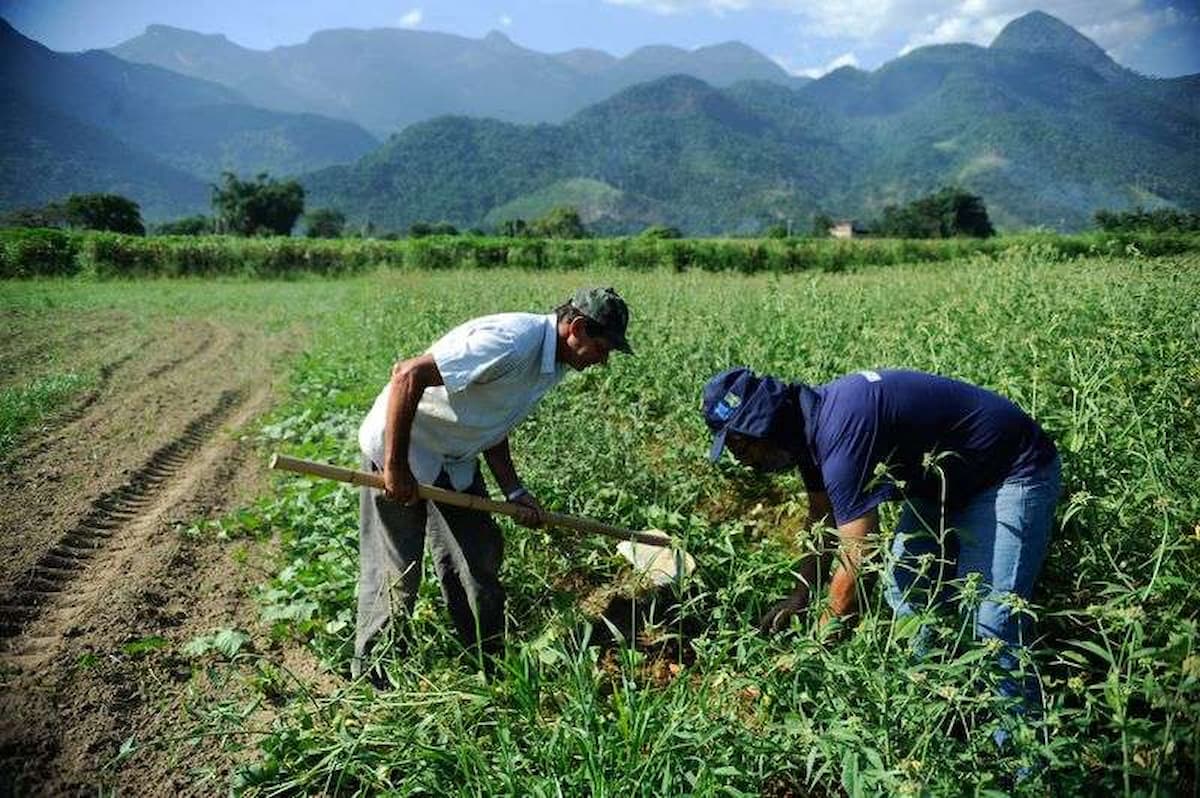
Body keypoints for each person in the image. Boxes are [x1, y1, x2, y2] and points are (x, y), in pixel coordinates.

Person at [701, 366, 1061, 714]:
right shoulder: (806, 431)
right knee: (906, 589)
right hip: (941, 483)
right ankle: (933, 710)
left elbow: (859, 559)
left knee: (992, 622)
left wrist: (811, 653)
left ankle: (1021, 757)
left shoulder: (840, 431)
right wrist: (801, 594)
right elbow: (821, 520)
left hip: (1010, 471)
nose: (739, 459)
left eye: (738, 444)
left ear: (762, 425)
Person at [354, 287, 632, 681]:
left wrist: (514, 491)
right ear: (579, 328)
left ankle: (488, 663)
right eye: (603, 348)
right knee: (397, 572)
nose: (603, 361)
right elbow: (407, 374)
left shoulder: (550, 364)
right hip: (401, 448)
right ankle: (372, 677)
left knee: (477, 557)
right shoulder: (512, 342)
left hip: (454, 457)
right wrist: (396, 468)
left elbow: (493, 420)